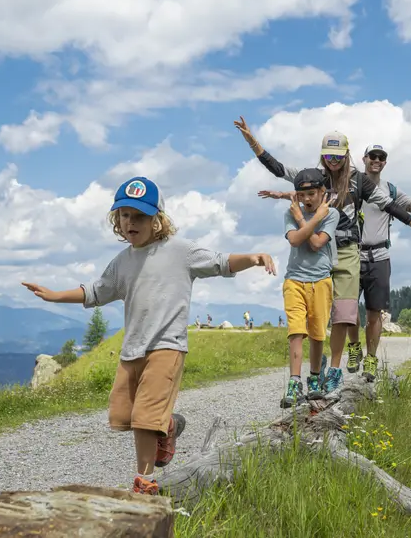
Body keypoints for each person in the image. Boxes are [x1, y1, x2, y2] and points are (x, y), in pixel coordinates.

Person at [22, 176, 276, 496]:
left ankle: (144, 482)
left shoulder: (180, 251)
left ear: (157, 220)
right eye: (124, 215)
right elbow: (96, 292)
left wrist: (252, 258)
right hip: (133, 349)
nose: (130, 222)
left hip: (167, 346)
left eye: (139, 216)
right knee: (124, 416)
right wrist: (55, 295)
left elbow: (220, 262)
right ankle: (167, 426)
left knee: (144, 418)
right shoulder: (122, 262)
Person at [234, 117, 411, 390]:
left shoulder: (359, 181)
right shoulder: (313, 176)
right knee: (316, 316)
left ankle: (334, 369)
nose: (333, 161)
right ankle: (316, 366)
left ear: (347, 154)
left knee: (344, 312)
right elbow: (278, 168)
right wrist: (252, 142)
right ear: (322, 155)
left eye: (338, 156)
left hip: (348, 250)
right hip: (319, 251)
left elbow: (390, 206)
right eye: (328, 156)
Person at [258, 143, 411, 381]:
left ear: (385, 162)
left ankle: (368, 358)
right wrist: (280, 187)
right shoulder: (338, 179)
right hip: (345, 251)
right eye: (372, 156)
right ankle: (349, 349)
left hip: (377, 255)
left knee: (370, 311)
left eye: (381, 157)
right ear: (363, 158)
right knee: (344, 311)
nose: (376, 160)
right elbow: (295, 181)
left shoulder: (387, 189)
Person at [280, 168, 339, 406]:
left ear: (322, 192)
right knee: (295, 331)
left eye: (312, 194)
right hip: (294, 279)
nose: (306, 199)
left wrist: (305, 220)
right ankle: (294, 382)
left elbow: (316, 243)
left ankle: (314, 378)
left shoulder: (332, 214)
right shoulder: (290, 213)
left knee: (317, 333)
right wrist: (309, 218)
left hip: (321, 280)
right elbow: (295, 240)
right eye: (301, 195)